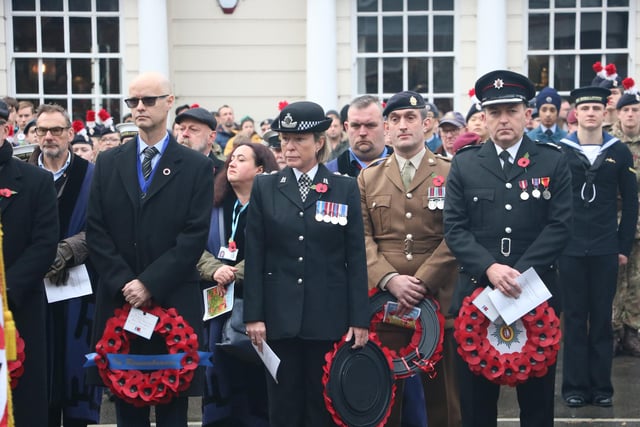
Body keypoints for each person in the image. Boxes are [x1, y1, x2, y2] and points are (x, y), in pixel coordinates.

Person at [444, 70, 572, 427]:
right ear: (483, 117)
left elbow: (560, 225)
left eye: (511, 110)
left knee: (536, 406)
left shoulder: (552, 160)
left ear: (526, 115)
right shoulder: (466, 164)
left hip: (536, 296)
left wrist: (518, 274)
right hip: (478, 295)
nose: (503, 119)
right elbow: (454, 228)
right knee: (476, 407)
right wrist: (491, 268)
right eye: (495, 112)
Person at [87, 71, 214, 426]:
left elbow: (193, 236)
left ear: (169, 102)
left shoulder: (195, 166)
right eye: (133, 101)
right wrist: (125, 282)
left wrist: (149, 284)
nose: (139, 107)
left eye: (148, 100)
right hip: (120, 300)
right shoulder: (109, 163)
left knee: (173, 407)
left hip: (172, 297)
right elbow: (96, 230)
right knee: (127, 402)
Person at [243, 101, 369, 427]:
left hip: (327, 316)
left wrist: (359, 319)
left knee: (323, 406)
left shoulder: (343, 188)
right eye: (284, 139)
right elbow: (255, 254)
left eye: (298, 139)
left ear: (319, 141)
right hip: (278, 317)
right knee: (283, 407)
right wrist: (253, 314)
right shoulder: (266, 187)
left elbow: (355, 258)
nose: (289, 146)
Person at [358, 90, 460, 427]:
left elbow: (457, 233)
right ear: (386, 129)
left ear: (427, 124)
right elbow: (362, 239)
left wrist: (422, 281)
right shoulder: (369, 177)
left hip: (438, 297)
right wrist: (391, 280)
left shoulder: (451, 171)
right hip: (386, 304)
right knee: (387, 397)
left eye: (411, 118)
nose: (403, 126)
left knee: (442, 397)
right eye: (395, 120)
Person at [558, 85, 638, 408]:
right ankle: (575, 387)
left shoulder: (618, 152)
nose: (590, 113)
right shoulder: (561, 151)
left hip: (606, 247)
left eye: (596, 108)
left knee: (602, 319)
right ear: (576, 114)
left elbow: (631, 203)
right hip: (571, 248)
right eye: (584, 108)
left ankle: (602, 388)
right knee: (575, 319)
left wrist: (623, 246)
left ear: (605, 114)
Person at [26, 103, 101, 426]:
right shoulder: (20, 174)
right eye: (42, 130)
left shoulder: (93, 175)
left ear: (70, 134)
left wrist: (65, 251)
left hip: (79, 290)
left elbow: (102, 227)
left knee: (74, 368)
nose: (49, 137)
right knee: (34, 372)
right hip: (29, 287)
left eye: (57, 130)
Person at [199, 142, 278, 427]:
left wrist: (235, 272)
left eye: (241, 159)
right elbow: (191, 245)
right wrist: (214, 269)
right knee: (219, 377)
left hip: (258, 308)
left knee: (255, 384)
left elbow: (276, 250)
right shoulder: (213, 204)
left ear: (260, 169)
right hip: (216, 303)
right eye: (231, 158)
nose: (231, 163)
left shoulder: (273, 206)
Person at [0, 99, 59, 426]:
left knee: (23, 398)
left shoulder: (34, 181)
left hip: (17, 306)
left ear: (6, 130)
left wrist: (4, 291)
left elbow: (44, 244)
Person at [611, 80, 640, 357]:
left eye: (635, 109)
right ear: (618, 114)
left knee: (637, 281)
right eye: (626, 110)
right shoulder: (610, 142)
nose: (630, 114)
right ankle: (613, 331)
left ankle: (632, 331)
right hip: (615, 223)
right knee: (613, 279)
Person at [325, 95, 392, 177]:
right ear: (347, 128)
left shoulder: (403, 168)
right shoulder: (329, 173)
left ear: (385, 127)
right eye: (356, 125)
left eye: (370, 125)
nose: (362, 132)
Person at [175, 107, 225, 177]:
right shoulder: (166, 166)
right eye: (181, 129)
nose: (185, 134)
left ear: (211, 137)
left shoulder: (224, 172)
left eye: (193, 129)